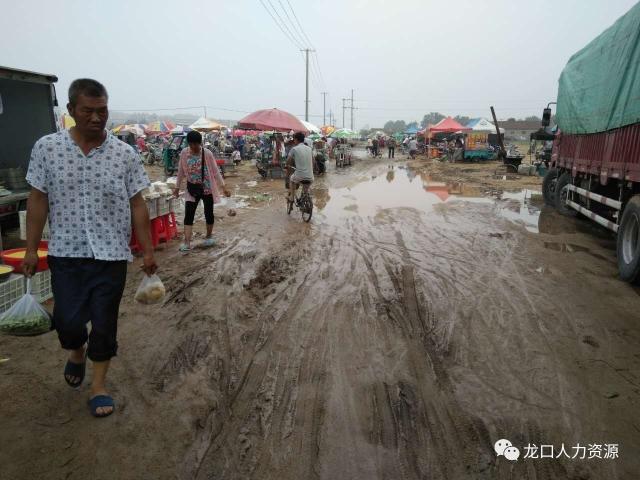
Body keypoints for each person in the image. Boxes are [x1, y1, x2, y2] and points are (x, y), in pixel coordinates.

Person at [23, 78, 158, 418]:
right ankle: (76, 351)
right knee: (67, 322)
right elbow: (38, 198)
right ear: (71, 111)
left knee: (104, 321)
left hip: (111, 255)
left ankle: (98, 386)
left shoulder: (123, 154)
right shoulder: (47, 148)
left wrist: (148, 250)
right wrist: (29, 249)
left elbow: (138, 203)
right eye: (89, 111)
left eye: (103, 111)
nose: (97, 118)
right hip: (65, 253)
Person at [174, 130, 230, 252]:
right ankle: (187, 243)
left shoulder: (207, 153)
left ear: (200, 143)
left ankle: (209, 236)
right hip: (191, 188)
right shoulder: (184, 153)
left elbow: (215, 171)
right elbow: (180, 172)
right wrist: (177, 188)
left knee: (208, 213)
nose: (193, 147)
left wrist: (223, 187)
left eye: (196, 144)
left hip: (207, 188)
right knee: (189, 215)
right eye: (191, 144)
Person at [286, 132, 314, 202]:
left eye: (294, 139)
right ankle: (306, 199)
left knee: (292, 180)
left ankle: (292, 197)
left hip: (299, 176)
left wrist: (287, 167)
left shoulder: (294, 149)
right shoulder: (309, 149)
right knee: (305, 189)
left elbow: (288, 160)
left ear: (296, 139)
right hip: (311, 176)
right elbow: (313, 161)